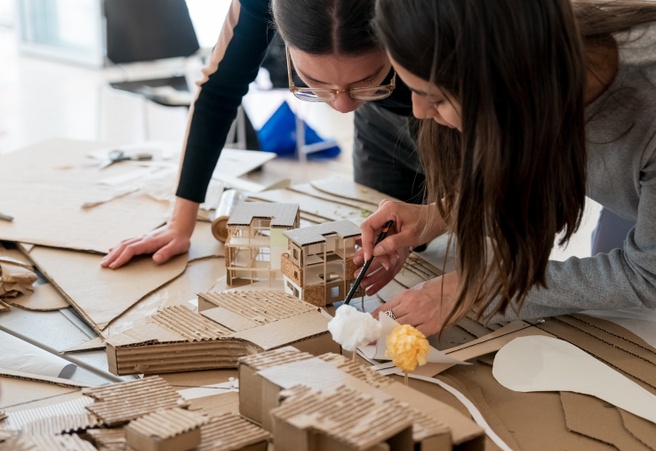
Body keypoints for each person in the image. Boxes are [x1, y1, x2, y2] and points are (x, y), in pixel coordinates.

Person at [357, 0, 656, 336]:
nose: (419, 112)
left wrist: (479, 291)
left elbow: (651, 276)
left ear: (505, 79)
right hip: (645, 188)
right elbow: (526, 153)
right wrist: (438, 215)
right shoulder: (534, 54)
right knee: (617, 329)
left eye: (435, 97)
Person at [101, 0, 424, 269]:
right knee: (389, 247)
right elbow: (219, 91)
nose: (341, 106)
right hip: (379, 120)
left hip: (458, 114)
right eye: (316, 83)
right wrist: (179, 224)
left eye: (365, 80)